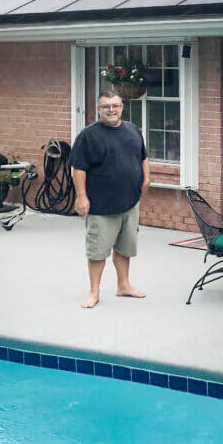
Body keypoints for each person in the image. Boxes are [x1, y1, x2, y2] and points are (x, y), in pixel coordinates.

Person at [70, 91, 150, 308]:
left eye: (115, 105)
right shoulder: (88, 135)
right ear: (99, 109)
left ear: (122, 107)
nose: (111, 109)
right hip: (101, 205)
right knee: (98, 250)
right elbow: (78, 168)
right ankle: (94, 292)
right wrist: (81, 196)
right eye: (106, 106)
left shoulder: (133, 130)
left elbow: (143, 157)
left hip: (130, 202)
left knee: (125, 247)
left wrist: (147, 180)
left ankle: (123, 285)